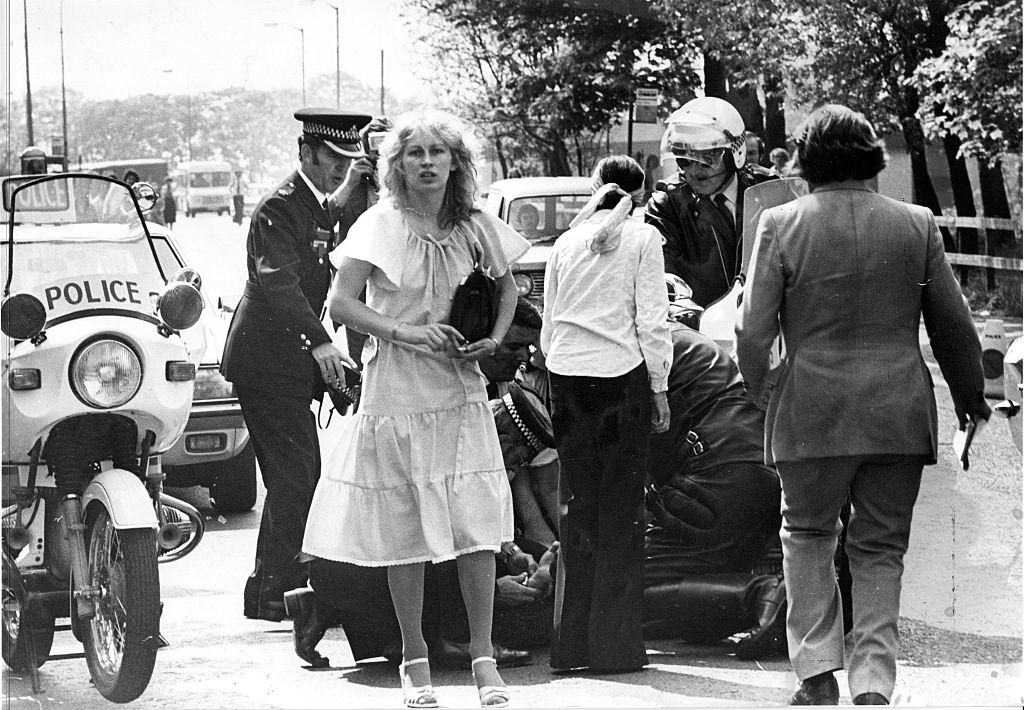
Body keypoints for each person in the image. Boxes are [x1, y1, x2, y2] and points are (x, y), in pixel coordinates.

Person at [735, 104, 991, 706]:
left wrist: (761, 386)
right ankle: (874, 684)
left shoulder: (779, 223)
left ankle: (816, 674)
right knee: (879, 548)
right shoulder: (916, 223)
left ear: (808, 160)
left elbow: (751, 329)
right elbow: (954, 325)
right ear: (872, 157)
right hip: (897, 411)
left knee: (806, 535)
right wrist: (968, 397)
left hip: (810, 409)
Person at [302, 109, 530, 709]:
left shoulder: (477, 224)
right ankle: (414, 658)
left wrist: (494, 338)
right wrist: (403, 334)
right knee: (406, 528)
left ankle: (483, 659)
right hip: (397, 390)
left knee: (474, 527)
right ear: (395, 165)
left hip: (459, 390)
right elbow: (341, 305)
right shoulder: (379, 225)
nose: (427, 162)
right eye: (414, 153)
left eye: (438, 152)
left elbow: (509, 287)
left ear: (455, 162)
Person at [221, 108, 375, 623]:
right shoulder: (278, 208)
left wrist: (353, 190)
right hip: (265, 361)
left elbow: (329, 228)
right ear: (306, 152)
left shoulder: (315, 205)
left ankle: (265, 589)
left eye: (348, 159)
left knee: (297, 475)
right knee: (296, 478)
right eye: (332, 157)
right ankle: (275, 591)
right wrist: (322, 343)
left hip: (288, 364)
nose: (340, 167)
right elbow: (278, 283)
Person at [542, 154, 672, 673]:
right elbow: (653, 320)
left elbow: (550, 321)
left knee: (578, 508)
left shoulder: (564, 243)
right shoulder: (644, 239)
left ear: (594, 188)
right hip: (620, 378)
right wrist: (659, 388)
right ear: (639, 195)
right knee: (622, 512)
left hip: (565, 377)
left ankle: (569, 644)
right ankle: (613, 647)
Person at [642, 285, 786, 660]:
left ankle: (762, 594)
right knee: (689, 581)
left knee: (618, 589)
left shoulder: (644, 346)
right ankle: (761, 598)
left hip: (716, 475)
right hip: (747, 471)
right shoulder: (690, 345)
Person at [645, 97, 775, 310]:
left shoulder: (768, 188)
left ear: (735, 153)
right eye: (684, 160)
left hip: (767, 325)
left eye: (707, 159)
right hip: (701, 328)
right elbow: (665, 279)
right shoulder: (666, 205)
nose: (694, 171)